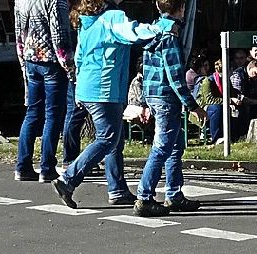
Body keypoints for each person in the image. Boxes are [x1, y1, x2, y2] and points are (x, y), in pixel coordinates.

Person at [49, 0, 162, 208]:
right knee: (108, 138)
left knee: (115, 139)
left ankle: (117, 189)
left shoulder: (88, 22)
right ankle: (68, 179)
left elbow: (80, 58)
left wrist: (78, 90)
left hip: (88, 87)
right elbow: (133, 32)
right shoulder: (112, 17)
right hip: (105, 88)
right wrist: (161, 27)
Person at [134, 0, 207, 217]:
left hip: (154, 94)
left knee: (175, 145)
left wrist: (146, 101)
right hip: (167, 97)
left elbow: (147, 70)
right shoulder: (170, 36)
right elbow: (175, 75)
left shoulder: (153, 31)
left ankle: (174, 193)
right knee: (163, 147)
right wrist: (192, 105)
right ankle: (144, 196)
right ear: (180, 9)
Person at [13, 0, 78, 182]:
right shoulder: (56, 2)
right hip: (51, 62)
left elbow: (19, 35)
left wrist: (23, 62)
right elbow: (60, 38)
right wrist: (70, 68)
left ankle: (22, 165)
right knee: (53, 115)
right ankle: (47, 167)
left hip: (30, 59)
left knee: (32, 113)